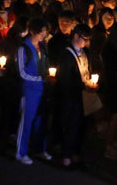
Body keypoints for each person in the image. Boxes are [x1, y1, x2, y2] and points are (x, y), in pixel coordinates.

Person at [56, 23, 99, 167]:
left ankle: (76, 154)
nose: (86, 42)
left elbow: (88, 70)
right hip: (71, 97)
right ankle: (66, 156)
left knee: (81, 126)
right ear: (75, 36)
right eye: (84, 39)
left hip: (83, 96)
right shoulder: (66, 54)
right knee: (71, 125)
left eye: (88, 39)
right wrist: (84, 85)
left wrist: (91, 83)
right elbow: (65, 79)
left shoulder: (84, 52)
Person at [16, 18, 49, 164]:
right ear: (33, 32)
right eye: (41, 32)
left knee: (40, 122)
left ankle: (39, 149)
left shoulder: (42, 47)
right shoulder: (24, 49)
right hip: (29, 91)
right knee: (26, 122)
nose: (43, 35)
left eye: (44, 32)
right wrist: (38, 79)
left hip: (41, 89)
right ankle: (20, 152)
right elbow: (22, 72)